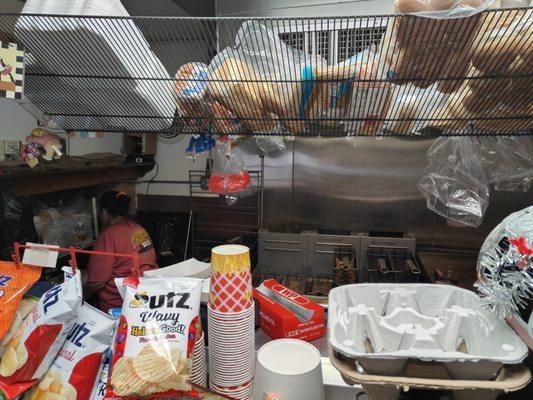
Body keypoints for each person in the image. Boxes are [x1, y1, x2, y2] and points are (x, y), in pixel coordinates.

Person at [85, 191, 158, 312]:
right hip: (149, 294)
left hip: (120, 304)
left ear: (103, 213)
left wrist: (83, 291)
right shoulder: (138, 228)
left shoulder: (107, 236)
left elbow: (97, 281)